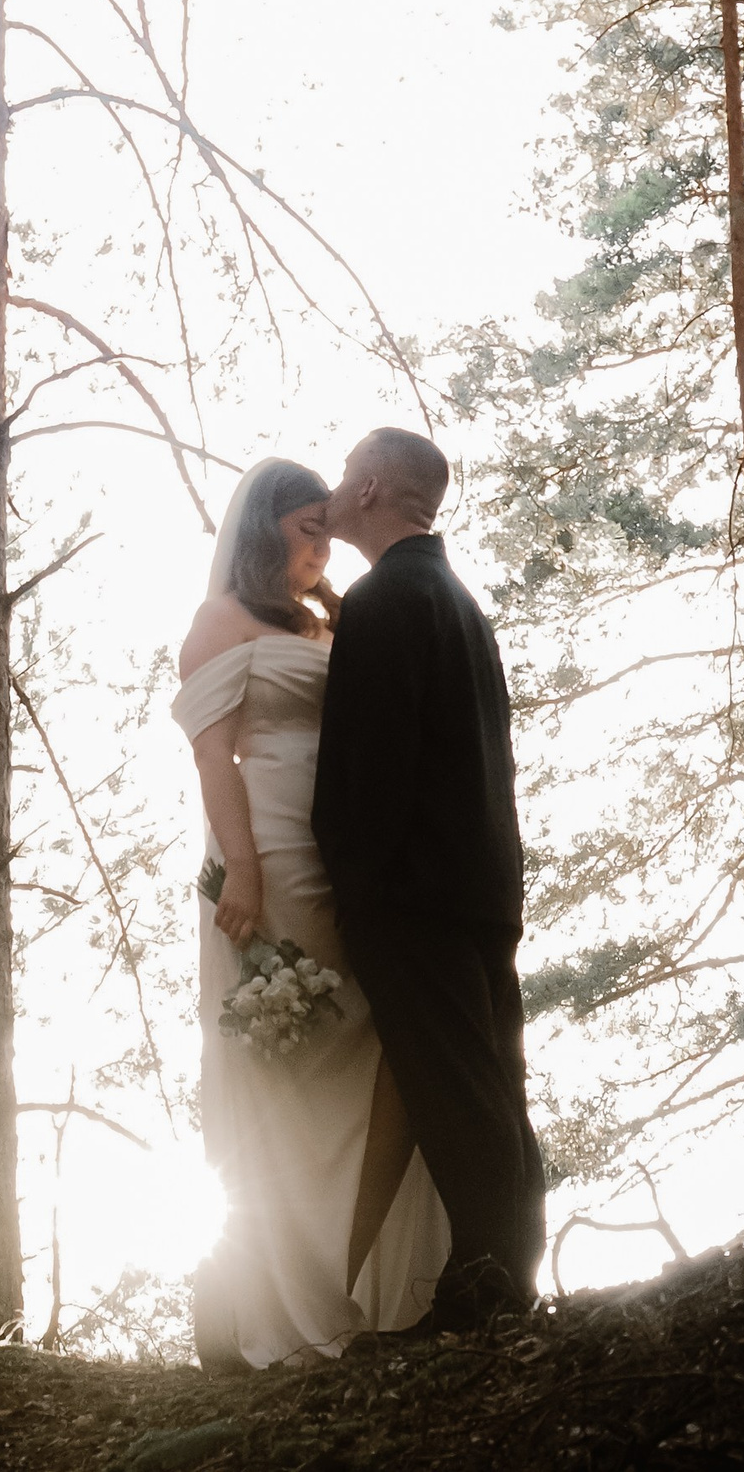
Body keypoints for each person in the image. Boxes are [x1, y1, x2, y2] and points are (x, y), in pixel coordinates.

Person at [172, 459, 450, 1367]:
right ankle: (287, 1310)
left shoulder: (333, 622)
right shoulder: (217, 623)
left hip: (343, 858)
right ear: (264, 532)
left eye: (327, 532)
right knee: (277, 1070)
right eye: (305, 530)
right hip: (269, 853)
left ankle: (367, 1281)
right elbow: (217, 761)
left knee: (369, 1041)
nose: (321, 548)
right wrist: (244, 874)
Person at [312, 424, 547, 1327]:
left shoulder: (385, 601)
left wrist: (352, 887)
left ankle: (489, 1286)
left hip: (415, 896)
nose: (334, 490)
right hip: (482, 887)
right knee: (493, 1081)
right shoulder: (456, 599)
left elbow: (368, 774)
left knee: (458, 1092)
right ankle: (490, 1276)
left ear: (370, 488)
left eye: (343, 475)